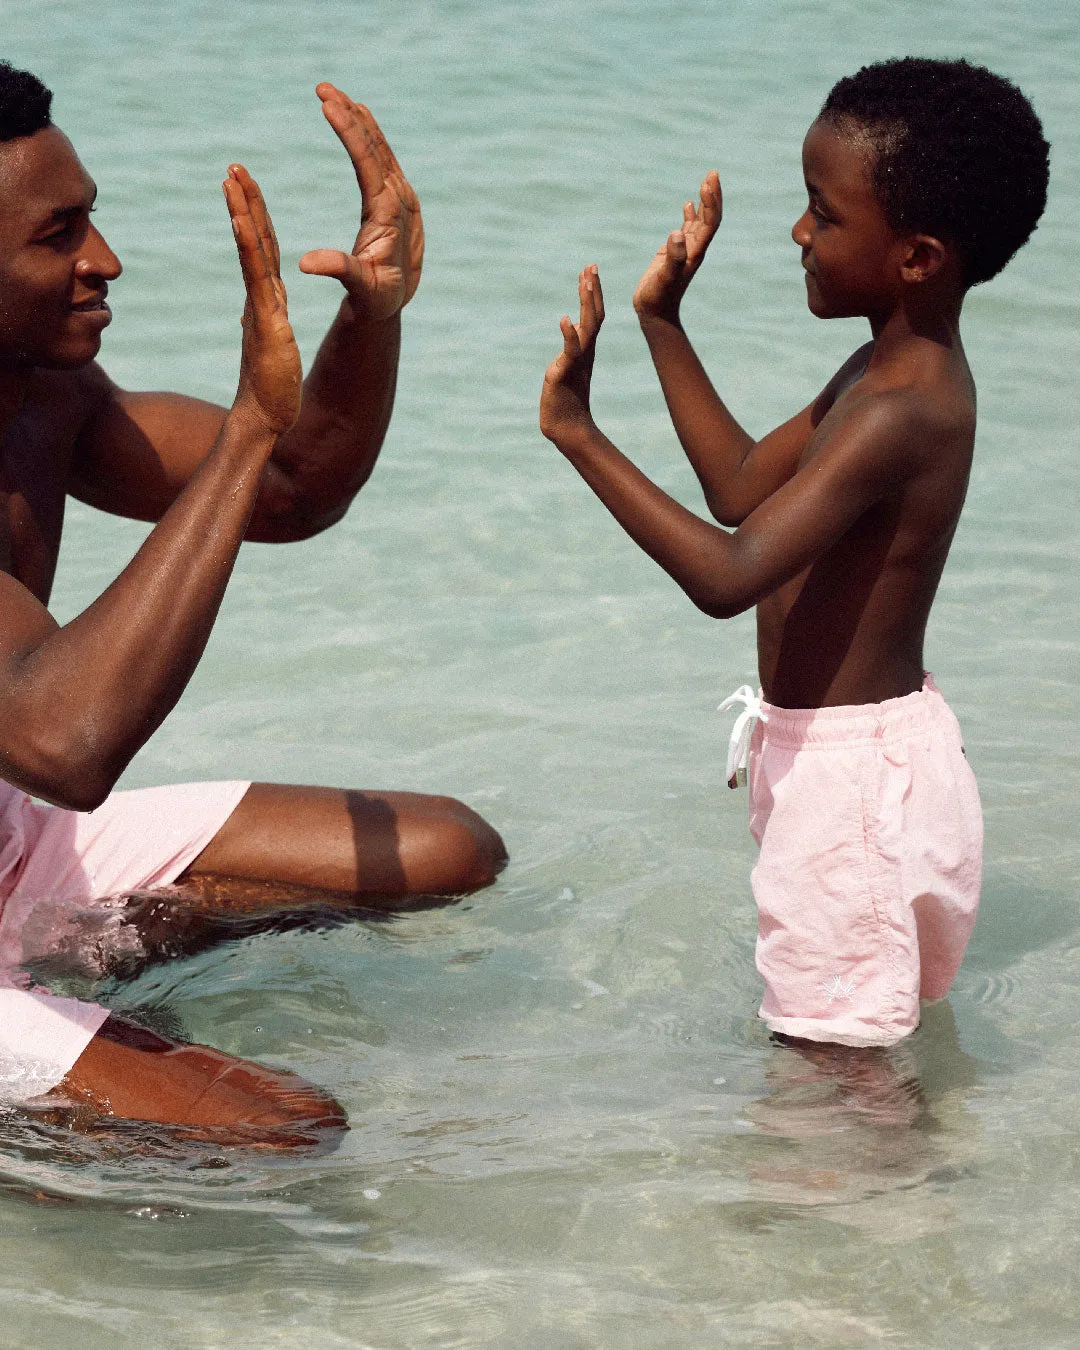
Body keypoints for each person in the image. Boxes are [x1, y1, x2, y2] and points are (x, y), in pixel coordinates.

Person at [0, 62, 505, 1146]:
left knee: (449, 850)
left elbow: (292, 489)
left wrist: (370, 316)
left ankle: (83, 960)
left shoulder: (47, 399)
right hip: (45, 778)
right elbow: (65, 743)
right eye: (59, 236)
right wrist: (242, 430)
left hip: (15, 842)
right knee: (287, 1132)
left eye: (91, 219)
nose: (104, 260)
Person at [539, 58, 1049, 1048]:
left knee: (831, 1074)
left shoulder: (900, 409)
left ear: (917, 257)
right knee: (851, 1059)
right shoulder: (882, 370)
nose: (798, 233)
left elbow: (726, 575)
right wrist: (661, 322)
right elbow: (739, 486)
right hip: (860, 764)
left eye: (824, 212)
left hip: (853, 792)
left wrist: (578, 434)